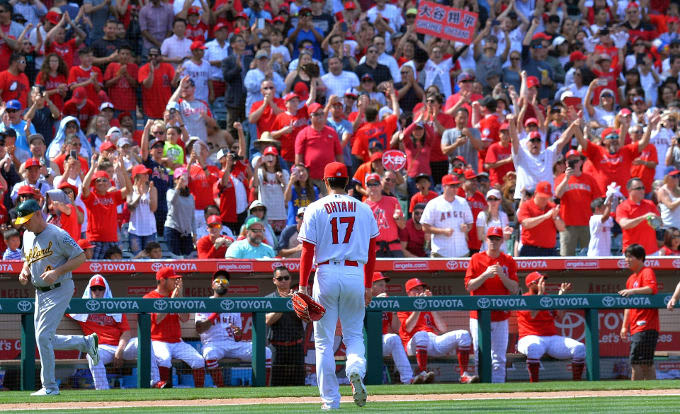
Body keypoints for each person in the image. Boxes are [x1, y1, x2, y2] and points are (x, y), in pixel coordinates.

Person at [297, 161, 378, 409]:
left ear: (325, 181)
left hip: (326, 272)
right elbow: (373, 250)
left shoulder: (315, 207)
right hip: (356, 272)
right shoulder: (364, 209)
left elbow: (307, 249)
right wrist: (368, 284)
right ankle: (354, 369)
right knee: (354, 335)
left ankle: (331, 401)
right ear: (348, 181)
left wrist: (302, 286)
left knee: (323, 342)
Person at [15, 198, 97, 396]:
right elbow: (27, 258)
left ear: (37, 214)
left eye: (27, 219)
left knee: (43, 337)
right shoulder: (27, 235)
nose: (25, 223)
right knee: (43, 338)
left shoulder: (57, 233)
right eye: (22, 221)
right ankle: (85, 343)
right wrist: (25, 271)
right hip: (40, 291)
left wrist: (58, 271)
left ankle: (50, 387)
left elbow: (80, 256)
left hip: (60, 287)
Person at [69, 274, 164, 389]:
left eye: (100, 288)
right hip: (102, 348)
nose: (97, 292)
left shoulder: (115, 306)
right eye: (94, 289)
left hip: (121, 346)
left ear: (106, 290)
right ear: (89, 290)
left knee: (143, 342)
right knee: (92, 353)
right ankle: (102, 390)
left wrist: (119, 350)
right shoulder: (81, 308)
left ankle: (155, 382)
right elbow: (61, 306)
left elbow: (126, 332)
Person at [195, 271, 272, 387]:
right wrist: (216, 313)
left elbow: (238, 337)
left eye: (224, 281)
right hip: (213, 343)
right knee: (209, 354)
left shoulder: (233, 305)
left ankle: (263, 388)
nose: (221, 283)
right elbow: (200, 329)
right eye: (218, 281)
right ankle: (221, 389)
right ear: (212, 285)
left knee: (266, 352)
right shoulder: (204, 303)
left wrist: (238, 333)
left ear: (228, 285)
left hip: (233, 344)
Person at [465, 226, 519, 383]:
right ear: (485, 240)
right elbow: (469, 286)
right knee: (480, 354)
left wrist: (502, 275)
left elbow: (515, 289)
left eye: (497, 239)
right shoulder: (476, 258)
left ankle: (498, 390)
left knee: (499, 357)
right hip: (479, 316)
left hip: (501, 316)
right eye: (491, 238)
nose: (493, 242)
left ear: (502, 241)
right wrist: (485, 275)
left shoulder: (508, 260)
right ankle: (481, 388)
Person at [397, 277, 476, 384]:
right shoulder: (404, 306)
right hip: (413, 344)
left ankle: (464, 375)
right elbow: (409, 327)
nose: (420, 292)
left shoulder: (428, 308)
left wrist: (431, 304)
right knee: (422, 335)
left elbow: (442, 328)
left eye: (421, 289)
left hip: (432, 340)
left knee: (463, 334)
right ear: (408, 292)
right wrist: (419, 306)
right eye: (416, 289)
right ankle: (422, 373)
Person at [143, 266, 206, 388]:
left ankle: (200, 393)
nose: (176, 282)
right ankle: (162, 389)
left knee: (198, 360)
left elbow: (184, 318)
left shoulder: (176, 296)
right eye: (172, 279)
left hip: (177, 342)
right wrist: (172, 299)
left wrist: (180, 296)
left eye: (176, 279)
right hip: (157, 341)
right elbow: (157, 319)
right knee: (164, 359)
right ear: (162, 280)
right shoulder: (149, 297)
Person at [517, 272, 585, 383]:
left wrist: (561, 296)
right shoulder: (524, 299)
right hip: (529, 337)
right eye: (540, 281)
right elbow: (532, 315)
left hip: (551, 338)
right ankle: (534, 385)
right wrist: (540, 294)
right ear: (531, 284)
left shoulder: (548, 297)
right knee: (534, 348)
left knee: (579, 348)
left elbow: (560, 316)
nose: (543, 283)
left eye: (543, 280)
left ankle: (577, 385)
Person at [620, 244, 659, 381]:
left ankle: (637, 392)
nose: (627, 259)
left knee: (639, 362)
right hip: (635, 328)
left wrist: (633, 291)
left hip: (646, 326)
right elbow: (628, 306)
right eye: (626, 257)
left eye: (630, 256)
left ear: (641, 258)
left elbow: (651, 288)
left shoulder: (647, 271)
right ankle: (649, 392)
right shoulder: (630, 279)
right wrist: (625, 326)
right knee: (644, 362)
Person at [371, 272, 414, 384]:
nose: (384, 289)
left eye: (385, 286)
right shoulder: (362, 298)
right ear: (371, 285)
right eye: (380, 285)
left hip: (381, 341)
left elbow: (396, 328)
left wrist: (393, 311)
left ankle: (408, 379)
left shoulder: (386, 301)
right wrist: (373, 301)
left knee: (394, 338)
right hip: (363, 342)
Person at [265, 265, 305, 386]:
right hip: (277, 347)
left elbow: (307, 319)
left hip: (296, 346)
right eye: (280, 278)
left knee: (298, 384)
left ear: (290, 279)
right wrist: (285, 304)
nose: (283, 281)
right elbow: (268, 320)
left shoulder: (298, 297)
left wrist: (294, 302)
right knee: (276, 384)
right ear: (274, 280)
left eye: (286, 278)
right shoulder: (269, 298)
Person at [420, 174, 473, 257]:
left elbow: (470, 223)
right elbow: (425, 227)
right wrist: (442, 231)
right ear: (444, 186)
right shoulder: (434, 203)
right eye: (452, 186)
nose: (455, 188)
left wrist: (466, 227)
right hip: (441, 252)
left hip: (461, 252)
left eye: (456, 185)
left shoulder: (463, 202)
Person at [615, 177, 661, 255]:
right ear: (629, 190)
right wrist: (643, 217)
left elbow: (660, 224)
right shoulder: (622, 207)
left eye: (643, 188)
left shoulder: (650, 204)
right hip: (632, 253)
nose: (642, 191)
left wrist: (656, 221)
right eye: (638, 188)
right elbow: (624, 224)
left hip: (652, 252)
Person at [364, 173, 406, 257]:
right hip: (373, 250)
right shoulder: (362, 206)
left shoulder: (393, 201)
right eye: (369, 185)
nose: (373, 187)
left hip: (394, 248)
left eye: (376, 184)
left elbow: (402, 226)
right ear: (366, 187)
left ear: (380, 186)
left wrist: (397, 218)